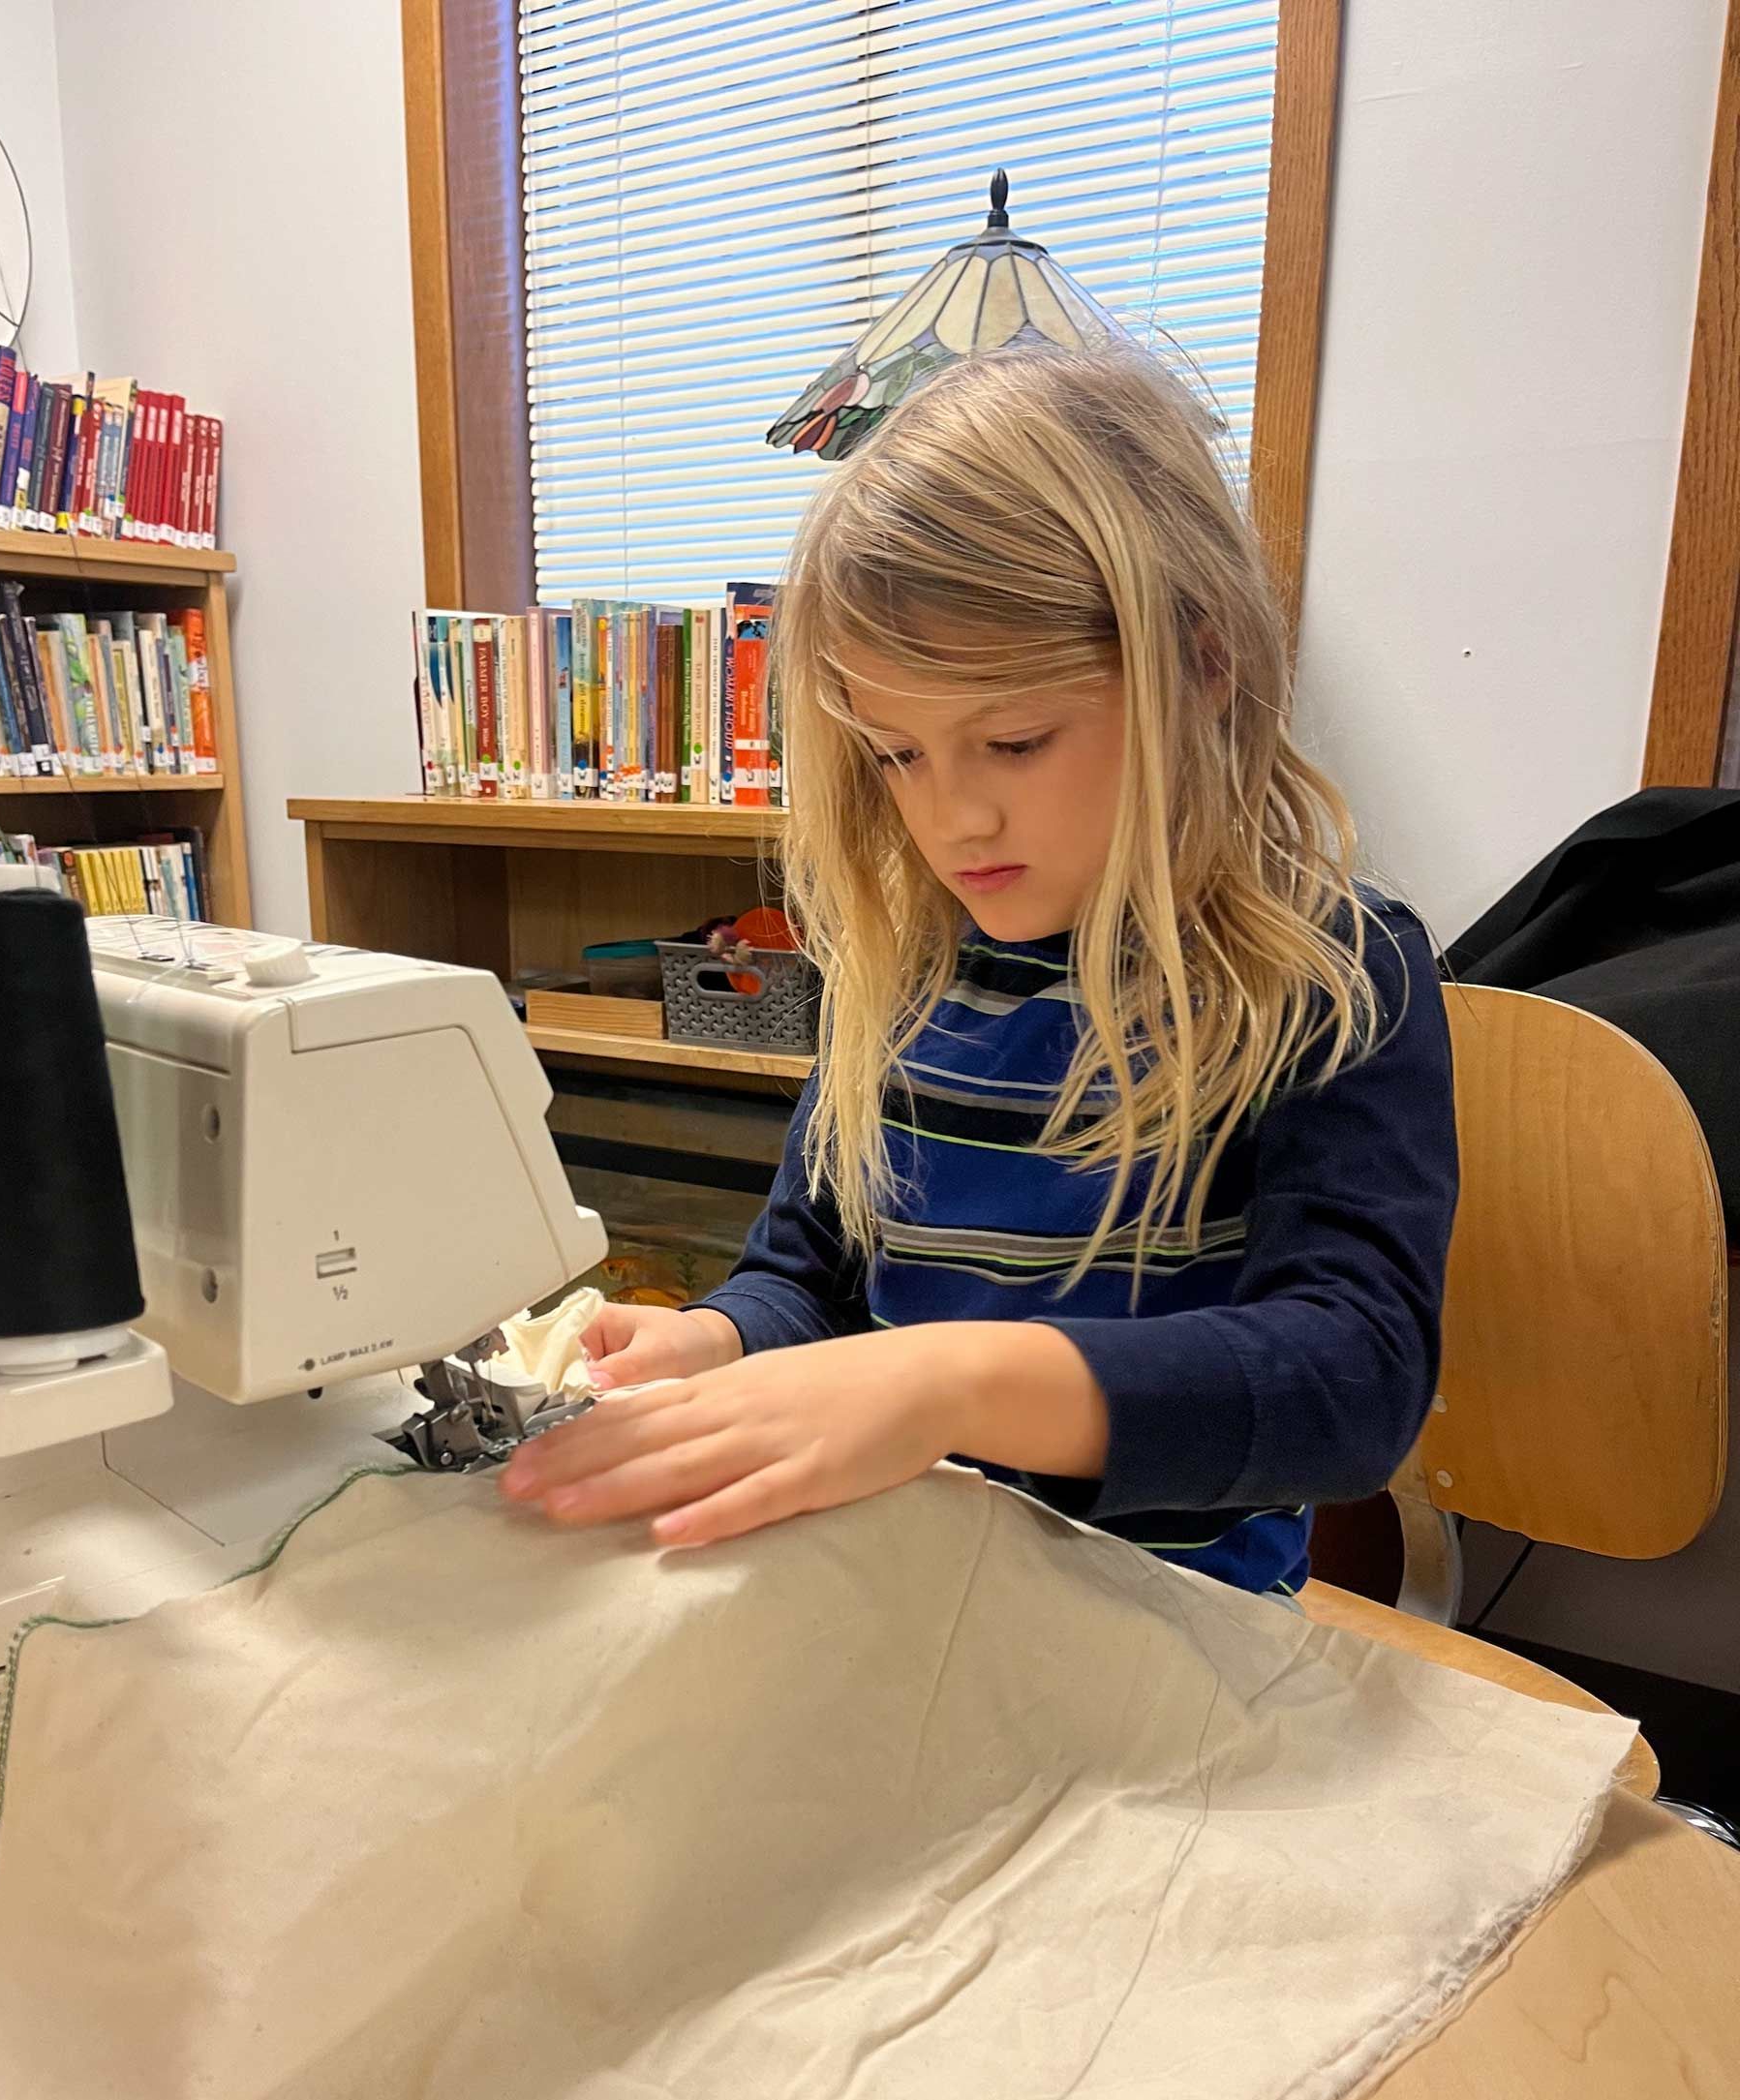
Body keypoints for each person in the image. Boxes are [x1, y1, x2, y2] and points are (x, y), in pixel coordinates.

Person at [503, 349, 1458, 1593]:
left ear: (1201, 670)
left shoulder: (1335, 977)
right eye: (897, 754)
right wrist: (712, 1341)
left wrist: (945, 1383)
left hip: (1171, 1634)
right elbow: (810, 1278)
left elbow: (1351, 1382)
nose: (952, 822)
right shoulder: (907, 971)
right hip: (907, 1585)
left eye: (1010, 742)